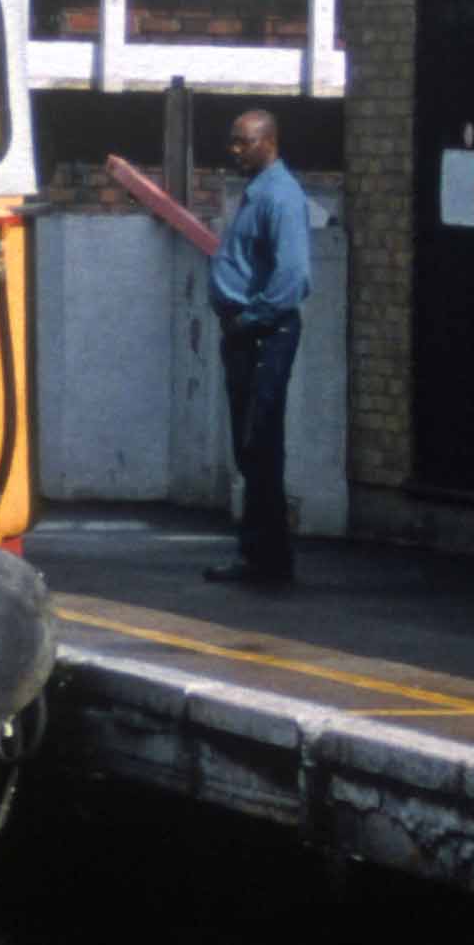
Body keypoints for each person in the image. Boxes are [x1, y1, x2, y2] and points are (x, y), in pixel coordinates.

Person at [203, 106, 316, 593]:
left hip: (264, 334)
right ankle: (262, 552)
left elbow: (292, 278)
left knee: (260, 441)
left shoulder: (279, 197)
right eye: (233, 141)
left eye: (241, 142)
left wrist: (250, 319)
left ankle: (267, 557)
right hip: (246, 333)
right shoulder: (258, 193)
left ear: (267, 141)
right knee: (251, 446)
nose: (234, 150)